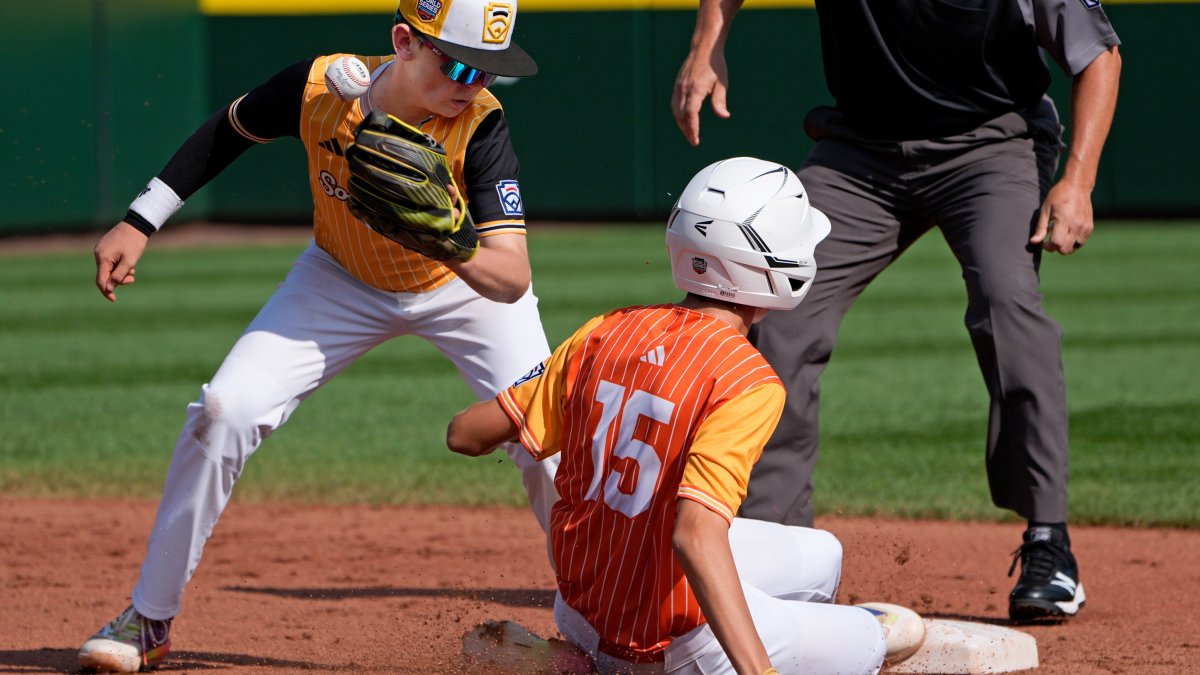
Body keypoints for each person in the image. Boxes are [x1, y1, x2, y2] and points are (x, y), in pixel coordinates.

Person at [78, 0, 558, 671]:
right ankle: (148, 618)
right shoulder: (319, 89)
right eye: (458, 63)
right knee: (224, 410)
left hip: (461, 292)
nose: (471, 84)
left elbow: (509, 278)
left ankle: (597, 621)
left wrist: (449, 244)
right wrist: (140, 219)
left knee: (550, 440)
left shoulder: (480, 125)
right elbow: (229, 131)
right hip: (339, 280)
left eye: (488, 72)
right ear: (403, 41)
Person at [671, 0, 1121, 622]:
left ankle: (1049, 540)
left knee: (1006, 301)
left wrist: (1078, 180)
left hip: (989, 143)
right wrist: (707, 44)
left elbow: (1099, 53)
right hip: (861, 151)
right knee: (777, 313)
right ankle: (772, 547)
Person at [446, 158, 925, 674]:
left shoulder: (605, 331)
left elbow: (464, 434)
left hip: (580, 609)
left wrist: (555, 381)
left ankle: (580, 660)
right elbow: (694, 535)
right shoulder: (747, 379)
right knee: (884, 639)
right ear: (775, 266)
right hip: (674, 647)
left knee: (823, 553)